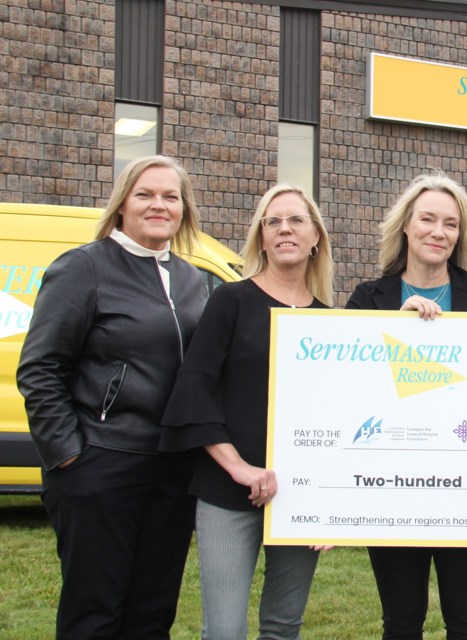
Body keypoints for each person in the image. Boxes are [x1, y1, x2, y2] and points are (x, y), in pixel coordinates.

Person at [16, 155, 208, 638]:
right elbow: (40, 368)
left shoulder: (191, 280)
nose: (158, 205)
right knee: (94, 614)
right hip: (101, 464)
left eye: (170, 196)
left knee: (152, 614)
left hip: (171, 471)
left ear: (184, 209)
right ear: (122, 203)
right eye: (145, 194)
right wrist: (69, 457)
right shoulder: (84, 268)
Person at [159, 184, 335, 639]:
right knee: (223, 629)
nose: (284, 229)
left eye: (296, 220)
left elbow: (340, 417)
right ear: (260, 238)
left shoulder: (330, 321)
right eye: (272, 222)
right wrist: (240, 469)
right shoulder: (230, 302)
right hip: (226, 489)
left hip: (301, 496)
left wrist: (331, 506)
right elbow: (195, 391)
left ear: (316, 235)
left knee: (283, 627)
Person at [346, 171, 467, 639]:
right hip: (393, 484)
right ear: (406, 227)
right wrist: (395, 333)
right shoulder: (367, 301)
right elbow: (348, 387)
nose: (439, 232)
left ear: (461, 234)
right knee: (400, 622)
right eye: (428, 220)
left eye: (451, 224)